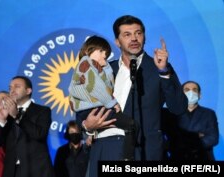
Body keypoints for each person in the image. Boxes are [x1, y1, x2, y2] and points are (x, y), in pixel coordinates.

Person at [80, 15, 188, 177]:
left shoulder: (159, 67)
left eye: (138, 33)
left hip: (143, 150)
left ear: (144, 37)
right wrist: (87, 127)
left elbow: (178, 107)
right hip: (106, 148)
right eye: (127, 34)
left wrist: (164, 72)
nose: (134, 38)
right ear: (117, 41)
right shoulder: (103, 70)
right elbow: (83, 110)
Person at [69, 35, 136, 160]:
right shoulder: (86, 63)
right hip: (95, 111)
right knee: (130, 124)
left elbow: (106, 82)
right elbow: (97, 87)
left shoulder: (99, 67)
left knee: (129, 125)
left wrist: (105, 66)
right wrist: (113, 103)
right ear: (89, 50)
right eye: (101, 51)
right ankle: (128, 157)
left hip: (94, 111)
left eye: (106, 53)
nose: (105, 55)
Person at [0, 76, 55, 177]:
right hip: (12, 171)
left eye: (17, 86)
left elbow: (39, 134)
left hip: (35, 170)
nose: (12, 91)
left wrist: (17, 116)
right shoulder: (7, 114)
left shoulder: (42, 111)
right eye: (10, 88)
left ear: (28, 91)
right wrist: (2, 121)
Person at [162, 81, 219, 160]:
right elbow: (166, 141)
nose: (191, 92)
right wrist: (197, 136)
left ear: (199, 95)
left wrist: (181, 142)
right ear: (181, 94)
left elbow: (213, 139)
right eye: (187, 90)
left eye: (194, 90)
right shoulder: (171, 113)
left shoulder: (209, 113)